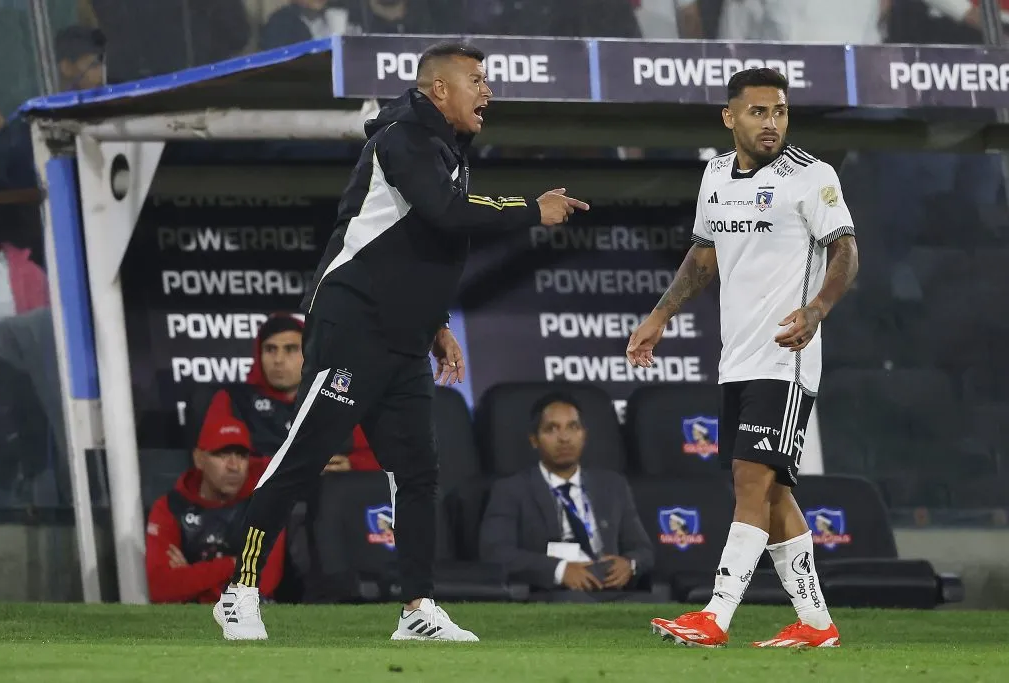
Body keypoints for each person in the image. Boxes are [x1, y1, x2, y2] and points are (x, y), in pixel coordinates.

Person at [214, 41, 588, 642]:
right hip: (354, 326)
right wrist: (529, 209)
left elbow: (426, 247)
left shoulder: (448, 146)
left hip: (404, 334)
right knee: (301, 460)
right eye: (476, 80)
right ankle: (238, 591)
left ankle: (416, 607)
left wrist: (437, 322)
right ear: (439, 89)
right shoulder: (403, 137)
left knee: (417, 474)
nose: (487, 91)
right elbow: (445, 211)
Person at [627, 67, 858, 648]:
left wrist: (817, 310)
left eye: (779, 111)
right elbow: (703, 257)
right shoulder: (714, 175)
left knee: (750, 480)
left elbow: (846, 252)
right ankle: (816, 624)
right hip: (738, 358)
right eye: (758, 112)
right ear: (730, 117)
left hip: (787, 357)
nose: (771, 123)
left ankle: (715, 616)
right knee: (774, 492)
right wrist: (660, 316)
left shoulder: (811, 176)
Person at [479, 393, 653, 599]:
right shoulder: (511, 489)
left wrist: (630, 564)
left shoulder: (613, 486)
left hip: (611, 589)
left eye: (573, 427)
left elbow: (643, 549)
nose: (564, 438)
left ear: (584, 434)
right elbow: (495, 552)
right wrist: (560, 570)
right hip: (554, 593)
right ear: (534, 440)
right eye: (552, 429)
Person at [201, 312, 380, 471]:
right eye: (270, 349)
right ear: (258, 354)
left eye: (291, 349)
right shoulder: (233, 400)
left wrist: (353, 465)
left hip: (334, 499)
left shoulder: (338, 399)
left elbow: (385, 456)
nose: (278, 360)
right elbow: (216, 464)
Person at [146, 413, 286, 604]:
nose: (234, 466)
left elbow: (262, 585)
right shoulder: (170, 507)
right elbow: (161, 588)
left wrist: (193, 584)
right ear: (199, 459)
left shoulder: (266, 504)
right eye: (222, 454)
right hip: (187, 627)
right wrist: (233, 564)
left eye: (241, 455)